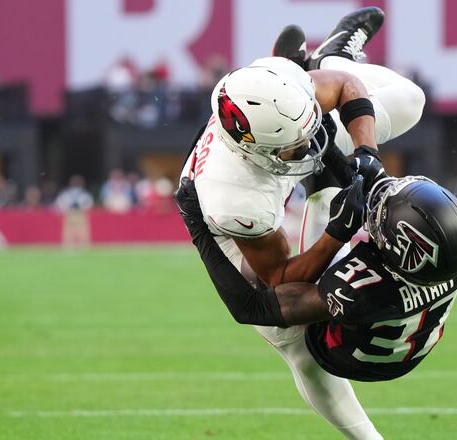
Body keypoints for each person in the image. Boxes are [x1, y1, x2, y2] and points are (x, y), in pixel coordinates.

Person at [176, 46, 457, 434]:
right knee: (403, 112)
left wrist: (333, 234)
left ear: (379, 247)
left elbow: (253, 306)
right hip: (407, 312)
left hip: (351, 350)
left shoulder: (354, 283)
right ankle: (330, 57)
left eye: (378, 215)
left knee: (292, 340)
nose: (386, 192)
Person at [178, 8, 425, 439]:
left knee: (411, 101)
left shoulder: (282, 92)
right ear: (258, 150)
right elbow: (280, 278)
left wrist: (367, 151)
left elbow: (347, 88)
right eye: (297, 147)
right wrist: (336, 233)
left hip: (276, 141)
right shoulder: (236, 197)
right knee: (297, 343)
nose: (309, 146)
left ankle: (332, 54)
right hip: (238, 223)